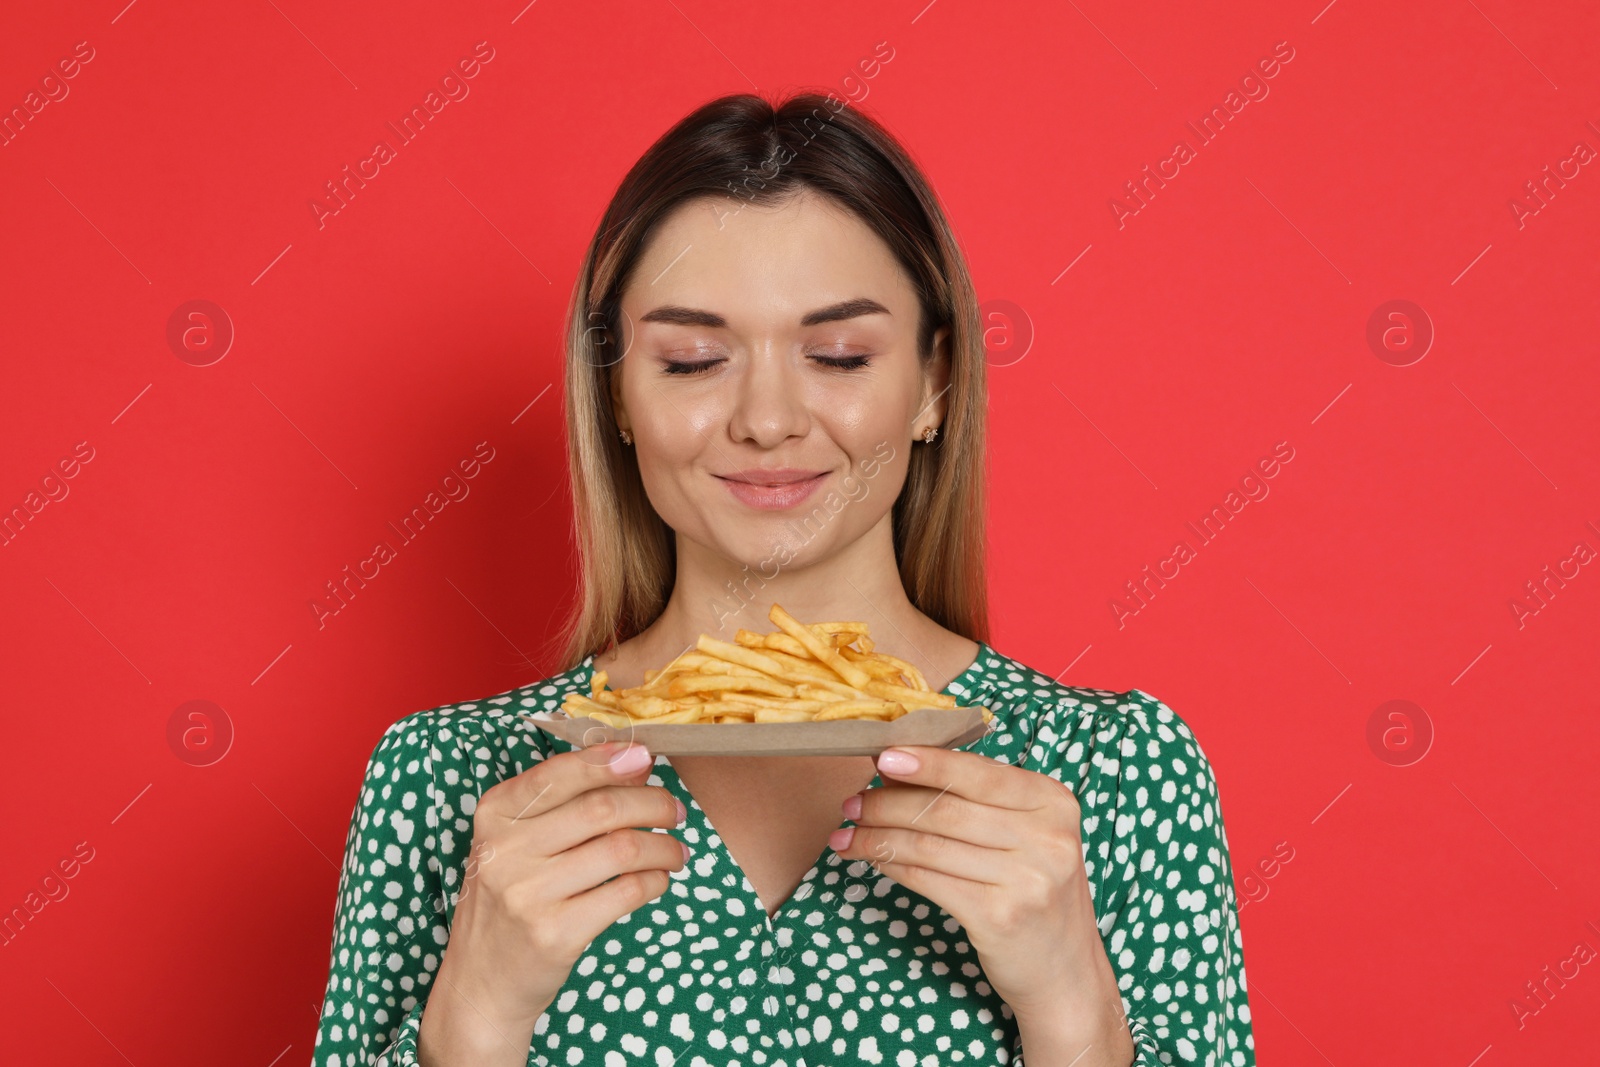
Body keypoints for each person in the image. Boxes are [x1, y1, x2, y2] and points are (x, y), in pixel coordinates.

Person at [313, 91, 1256, 1067]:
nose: (767, 417)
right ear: (617, 396)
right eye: (691, 360)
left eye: (838, 353)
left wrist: (1071, 1007)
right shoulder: (446, 780)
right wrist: (470, 1025)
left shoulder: (1114, 769)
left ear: (934, 380)